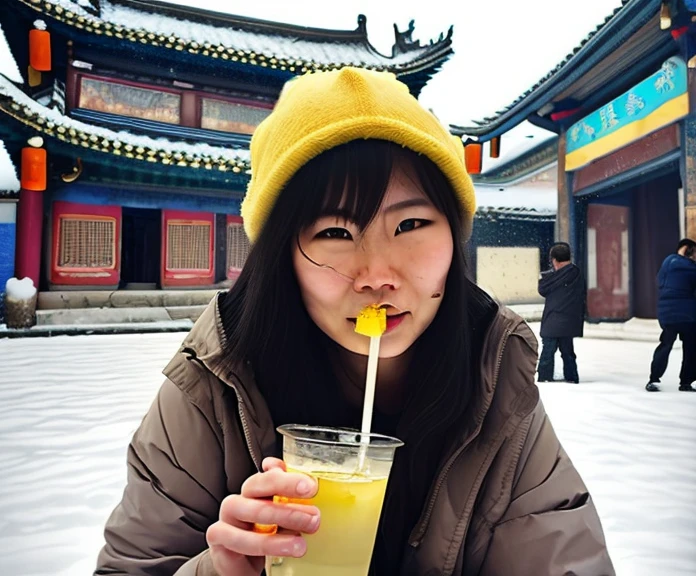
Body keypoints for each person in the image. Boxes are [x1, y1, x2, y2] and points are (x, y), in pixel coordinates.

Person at [95, 68, 614, 576]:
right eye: (335, 233)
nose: (377, 275)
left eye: (410, 224)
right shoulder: (213, 385)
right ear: (282, 256)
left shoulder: (495, 381)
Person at [646, 238, 696, 392]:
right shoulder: (692, 268)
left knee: (665, 345)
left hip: (667, 314)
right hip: (688, 315)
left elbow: (660, 282)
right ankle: (686, 382)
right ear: (688, 249)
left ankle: (654, 378)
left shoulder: (667, 263)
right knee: (691, 348)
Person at [537, 242, 585, 383]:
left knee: (548, 353)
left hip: (553, 319)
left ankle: (545, 378)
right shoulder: (576, 274)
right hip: (570, 321)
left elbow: (542, 289)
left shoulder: (555, 277)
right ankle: (571, 377)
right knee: (568, 352)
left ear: (554, 260)